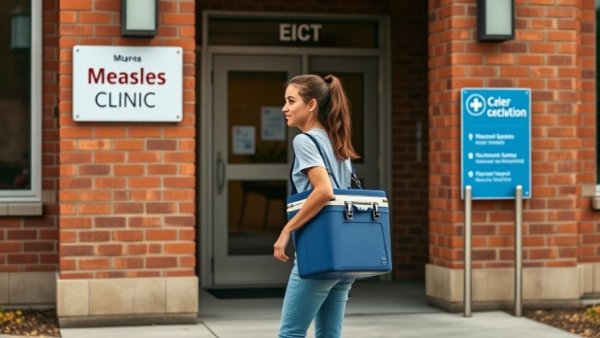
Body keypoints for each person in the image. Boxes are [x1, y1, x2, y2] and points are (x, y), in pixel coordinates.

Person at [274, 74, 360, 338]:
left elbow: (324, 191)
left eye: (291, 101)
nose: (284, 108)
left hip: (319, 253)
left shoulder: (304, 140)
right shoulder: (336, 140)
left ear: (311, 105)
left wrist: (287, 229)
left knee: (290, 333)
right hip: (345, 255)